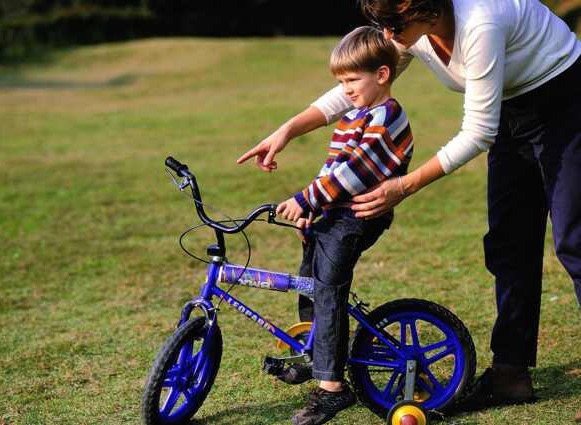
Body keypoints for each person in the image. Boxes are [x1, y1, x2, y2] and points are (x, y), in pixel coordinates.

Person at [237, 0, 581, 419]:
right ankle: (511, 373)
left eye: (391, 22)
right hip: (509, 107)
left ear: (426, 9)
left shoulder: (480, 24)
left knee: (574, 242)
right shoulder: (407, 31)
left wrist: (403, 185)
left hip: (565, 102)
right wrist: (288, 129)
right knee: (509, 244)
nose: (384, 31)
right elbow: (355, 85)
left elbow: (476, 133)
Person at [269, 26, 414, 425]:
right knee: (308, 279)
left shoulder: (389, 117)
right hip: (337, 212)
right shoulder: (354, 116)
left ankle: (332, 388)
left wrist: (305, 199)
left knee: (328, 287)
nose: (345, 89)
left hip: (359, 216)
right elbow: (332, 167)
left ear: (381, 74)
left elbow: (355, 173)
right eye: (341, 82)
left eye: (352, 80)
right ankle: (316, 355)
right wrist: (313, 210)